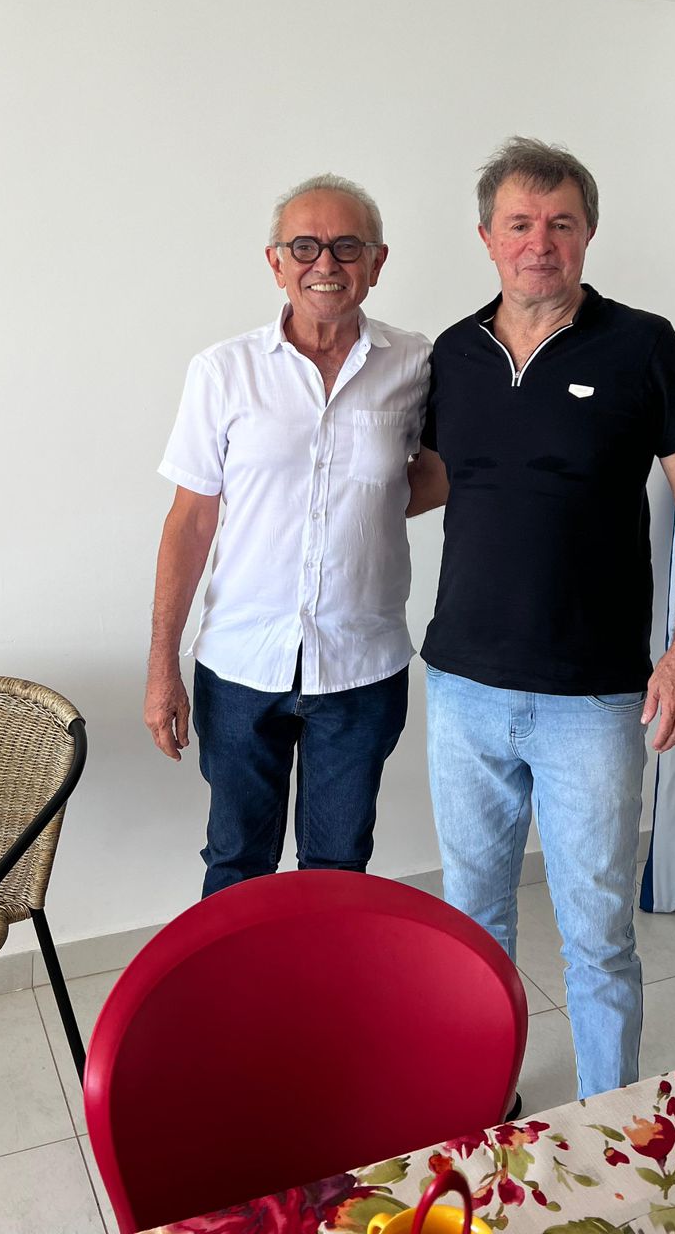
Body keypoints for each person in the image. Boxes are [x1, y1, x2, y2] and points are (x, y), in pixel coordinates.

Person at [410, 137, 675, 1098]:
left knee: (597, 933)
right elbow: (435, 479)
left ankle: (608, 1125)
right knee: (473, 923)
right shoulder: (452, 354)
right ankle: (486, 1096)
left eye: (560, 223)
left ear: (588, 233)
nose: (538, 242)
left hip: (592, 697)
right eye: (519, 223)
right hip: (463, 685)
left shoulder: (642, 345)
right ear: (486, 237)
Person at [144, 175, 430, 896]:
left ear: (377, 261)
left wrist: (364, 502)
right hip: (241, 664)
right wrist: (161, 666)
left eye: (347, 246)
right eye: (304, 246)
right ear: (275, 262)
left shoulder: (416, 366)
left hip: (362, 666)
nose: (325, 263)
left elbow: (440, 475)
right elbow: (190, 521)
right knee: (236, 864)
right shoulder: (223, 371)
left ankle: (320, 979)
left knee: (338, 868)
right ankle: (239, 980)